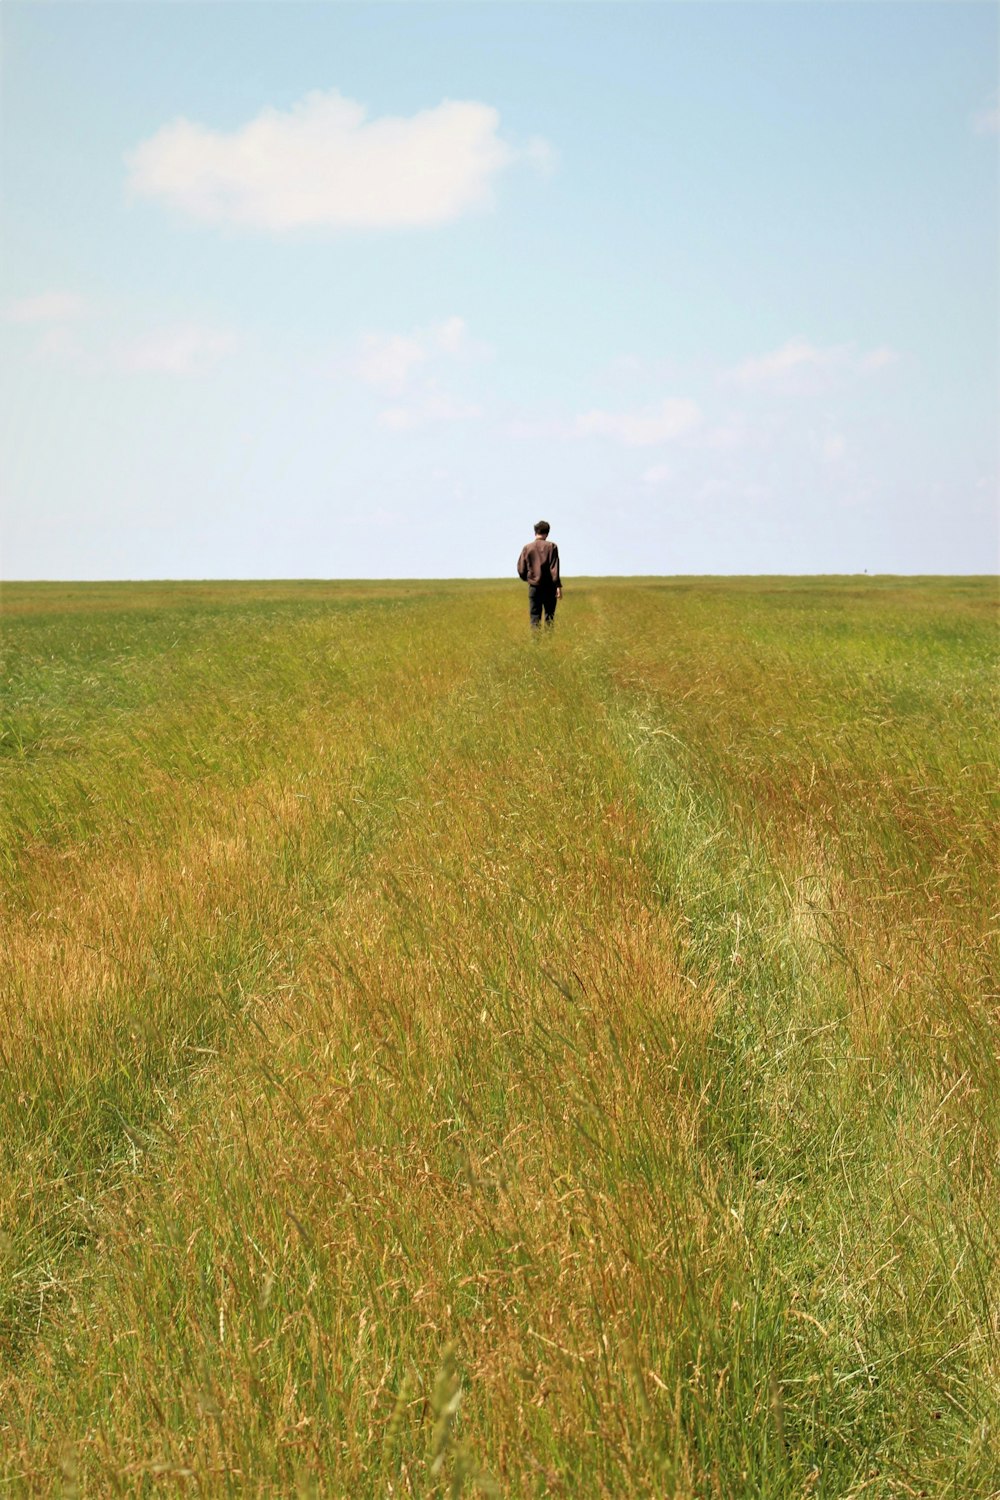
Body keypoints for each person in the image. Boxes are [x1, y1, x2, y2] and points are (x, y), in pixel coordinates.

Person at [517, 520, 562, 629]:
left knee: (534, 617)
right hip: (549, 587)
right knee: (549, 617)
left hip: (534, 587)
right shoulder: (552, 547)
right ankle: (549, 642)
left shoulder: (527, 548)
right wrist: (558, 586)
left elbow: (521, 569)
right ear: (547, 533)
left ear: (535, 532)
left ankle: (536, 642)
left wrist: (529, 579)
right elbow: (554, 568)